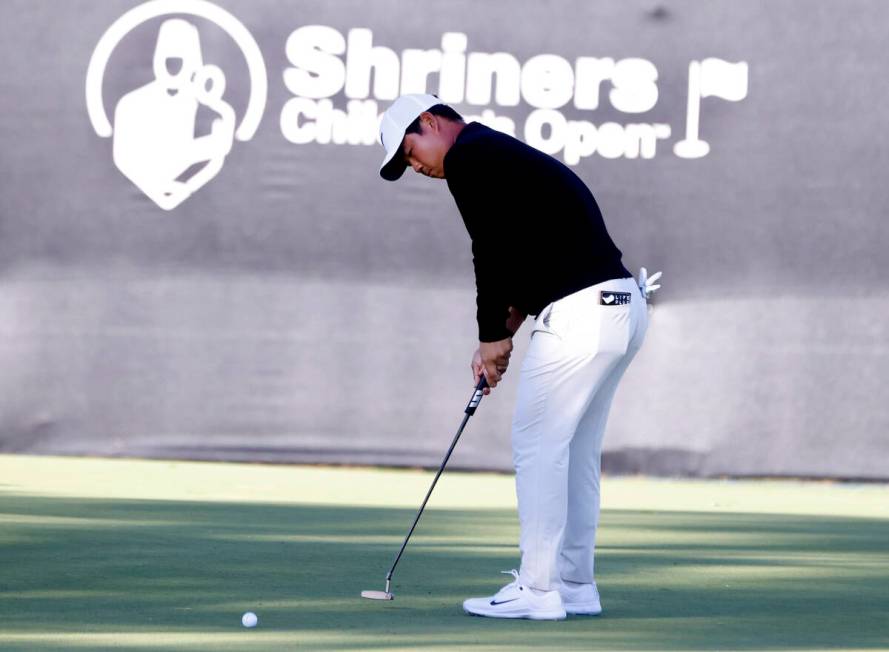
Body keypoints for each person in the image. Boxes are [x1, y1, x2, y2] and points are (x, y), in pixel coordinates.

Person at [378, 94, 656, 620]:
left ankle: (538, 589)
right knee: (573, 453)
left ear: (431, 122)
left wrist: (489, 336)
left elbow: (490, 248)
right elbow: (536, 248)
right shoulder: (498, 152)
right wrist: (508, 325)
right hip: (621, 307)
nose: (415, 167)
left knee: (537, 443)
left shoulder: (468, 157)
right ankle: (574, 585)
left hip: (581, 314)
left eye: (410, 151)